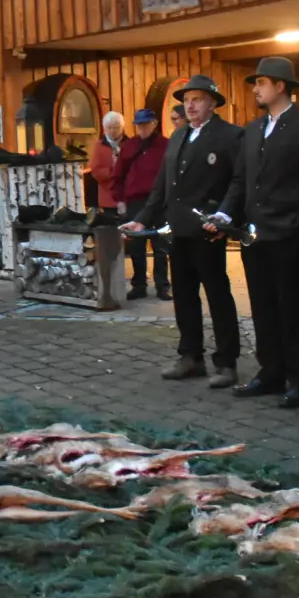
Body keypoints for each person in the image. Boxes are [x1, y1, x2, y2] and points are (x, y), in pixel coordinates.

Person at [212, 57, 299, 409]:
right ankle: (270, 372)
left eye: (261, 82)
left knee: (290, 309)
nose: (255, 88)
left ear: (281, 86)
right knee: (262, 306)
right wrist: (224, 213)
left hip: (289, 234)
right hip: (253, 234)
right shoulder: (252, 129)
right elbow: (240, 180)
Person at [121, 76, 244, 388]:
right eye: (187, 99)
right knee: (185, 296)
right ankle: (191, 356)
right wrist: (144, 218)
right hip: (177, 229)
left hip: (207, 229)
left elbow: (239, 181)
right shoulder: (178, 137)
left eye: (198, 99)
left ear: (213, 102)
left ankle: (227, 362)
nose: (190, 105)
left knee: (217, 296)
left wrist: (226, 216)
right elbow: (162, 183)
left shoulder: (230, 136)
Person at [112, 109, 172, 300]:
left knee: (160, 245)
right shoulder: (128, 147)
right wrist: (120, 199)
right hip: (136, 201)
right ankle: (139, 285)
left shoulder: (166, 145)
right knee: (136, 245)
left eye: (146, 124)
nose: (142, 128)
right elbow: (118, 175)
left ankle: (162, 286)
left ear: (154, 124)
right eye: (139, 125)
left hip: (160, 201)